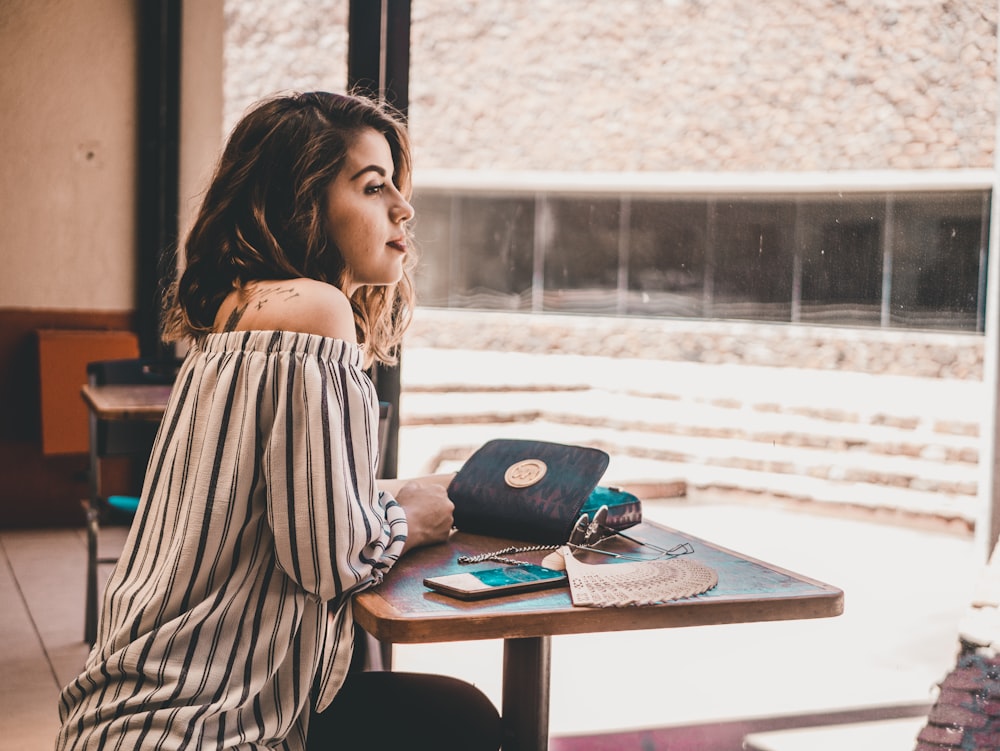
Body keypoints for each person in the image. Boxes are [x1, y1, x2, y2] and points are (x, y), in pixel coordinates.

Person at [55, 91, 501, 751]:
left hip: (135, 716)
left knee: (455, 715)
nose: (403, 208)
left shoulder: (238, 312)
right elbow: (334, 560)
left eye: (397, 188)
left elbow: (284, 510)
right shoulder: (316, 311)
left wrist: (384, 499)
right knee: (466, 724)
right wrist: (412, 517)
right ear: (303, 202)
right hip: (199, 730)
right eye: (374, 187)